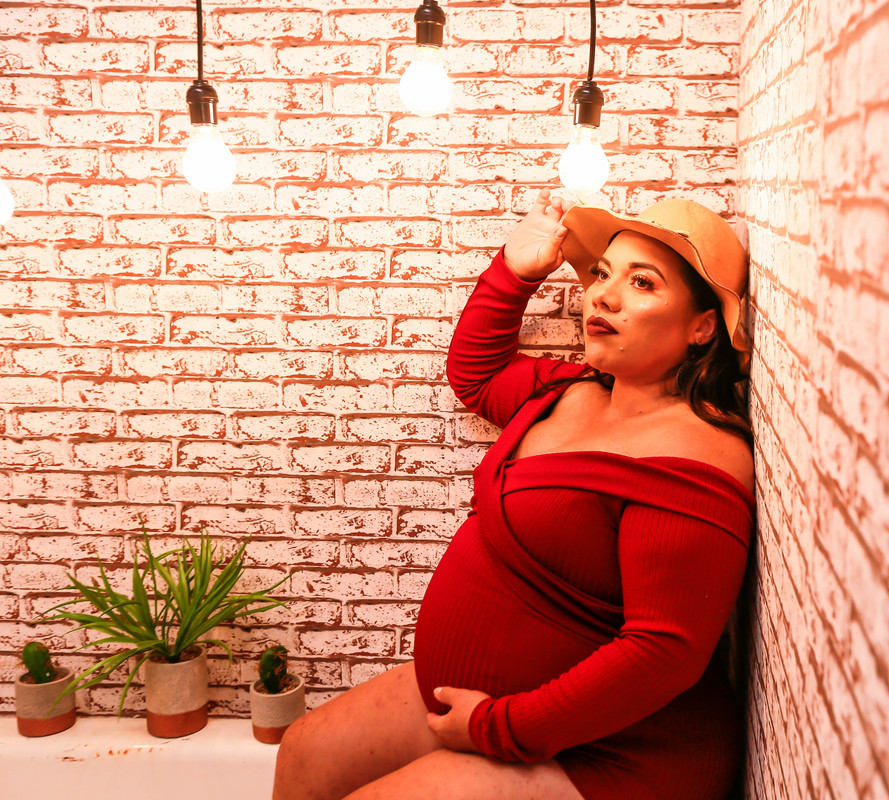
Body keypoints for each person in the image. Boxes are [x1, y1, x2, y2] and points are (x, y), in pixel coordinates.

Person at [272, 188, 757, 800]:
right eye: (603, 274)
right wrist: (514, 272)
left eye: (642, 283)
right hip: (498, 704)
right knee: (305, 749)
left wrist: (497, 727)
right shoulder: (568, 390)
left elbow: (663, 653)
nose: (604, 295)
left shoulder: (699, 453)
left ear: (702, 327)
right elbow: (476, 375)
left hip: (621, 748)